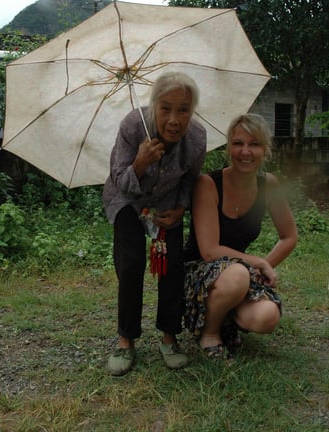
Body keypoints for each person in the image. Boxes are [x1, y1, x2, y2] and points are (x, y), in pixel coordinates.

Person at [102, 71, 207, 376]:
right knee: (131, 261)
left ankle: (169, 337)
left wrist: (181, 208)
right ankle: (126, 340)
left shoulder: (197, 138)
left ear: (192, 111)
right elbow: (120, 179)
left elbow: (190, 179)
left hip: (166, 204)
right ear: (154, 107)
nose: (174, 119)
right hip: (126, 200)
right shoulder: (133, 127)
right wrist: (141, 162)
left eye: (183, 110)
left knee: (173, 263)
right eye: (166, 108)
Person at [183, 113, 297, 359]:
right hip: (199, 273)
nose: (245, 151)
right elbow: (209, 251)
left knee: (267, 317)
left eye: (254, 144)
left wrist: (258, 269)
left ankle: (225, 316)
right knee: (237, 274)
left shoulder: (269, 185)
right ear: (228, 148)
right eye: (238, 143)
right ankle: (210, 334)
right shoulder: (208, 184)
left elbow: (289, 236)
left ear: (265, 150)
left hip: (240, 274)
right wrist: (257, 262)